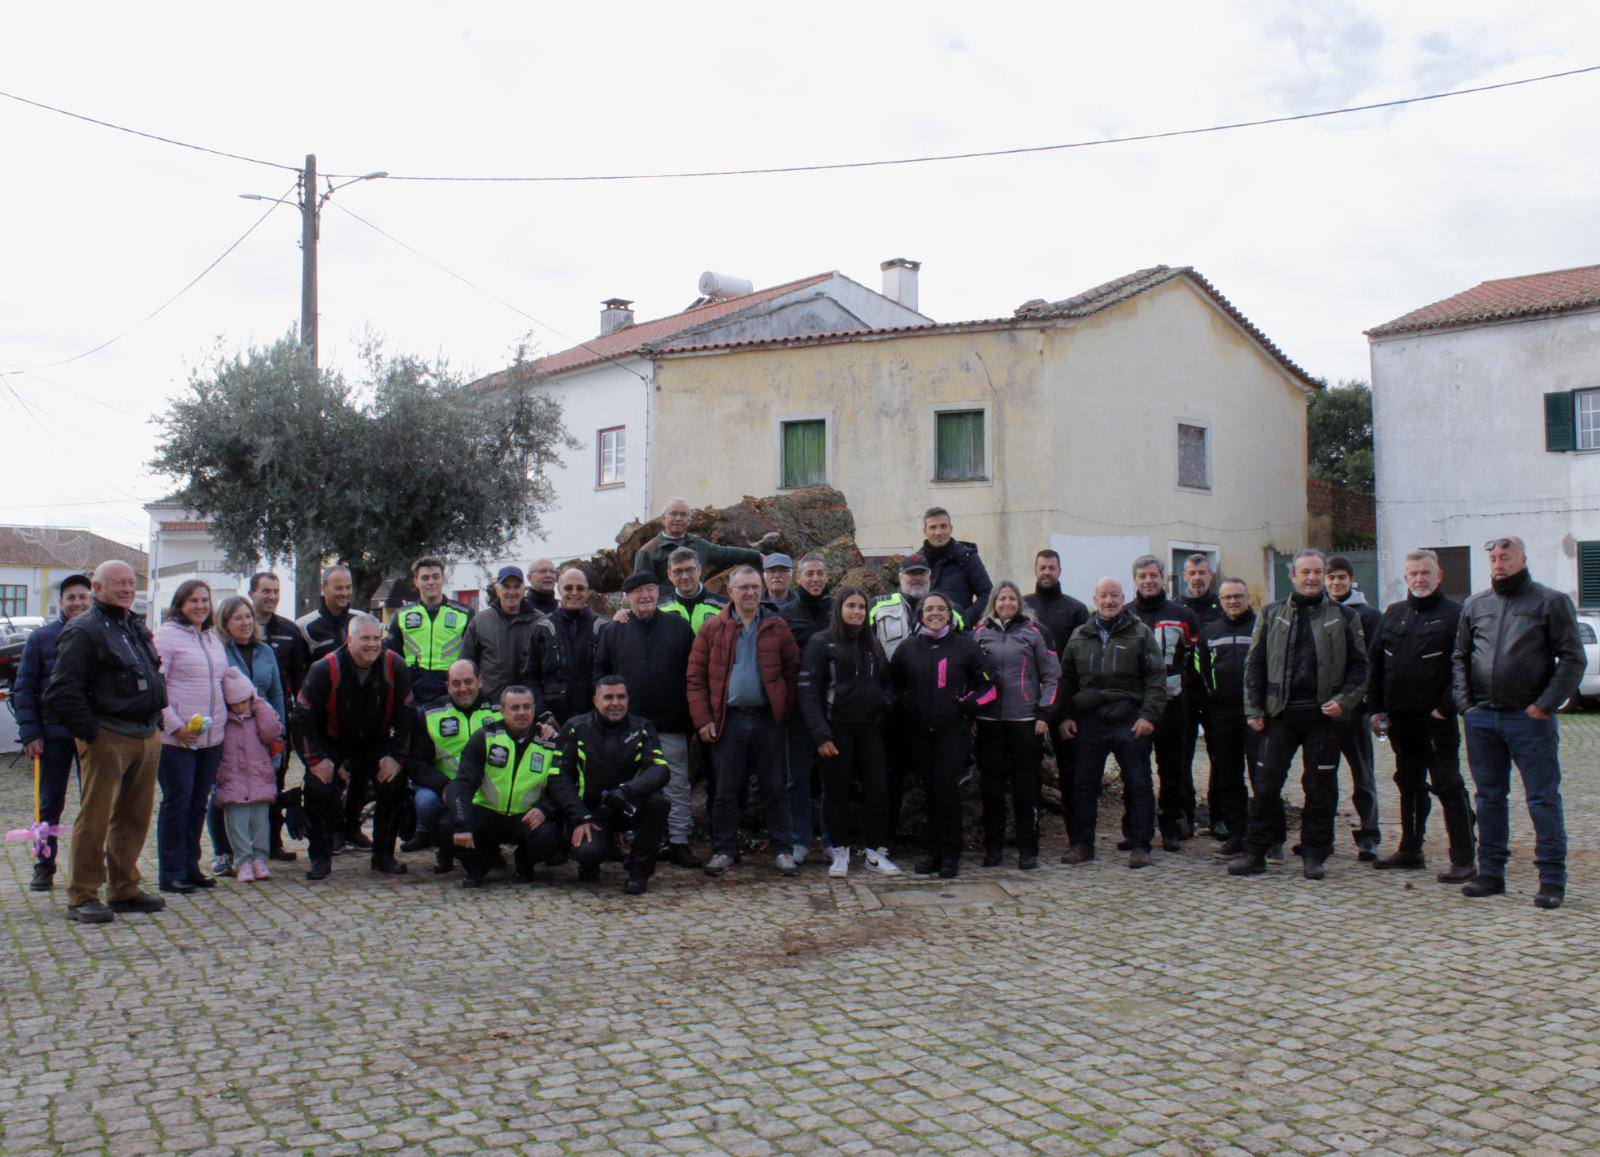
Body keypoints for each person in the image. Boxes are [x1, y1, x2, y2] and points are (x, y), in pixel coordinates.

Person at [1452, 535, 1581, 909]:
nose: (1498, 563)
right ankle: (1490, 872)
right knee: (1489, 798)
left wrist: (1543, 706)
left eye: (1505, 556)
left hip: (1529, 720)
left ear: (1522, 559)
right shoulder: (1476, 605)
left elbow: (1572, 659)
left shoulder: (1550, 602)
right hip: (1482, 719)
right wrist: (1466, 706)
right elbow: (1459, 657)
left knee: (1542, 799)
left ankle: (1551, 879)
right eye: (1492, 557)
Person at [1228, 548, 1368, 881]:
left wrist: (1344, 701)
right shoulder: (1272, 613)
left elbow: (1360, 667)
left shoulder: (1344, 617)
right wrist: (1254, 709)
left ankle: (1314, 854)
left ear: (1324, 575)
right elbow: (1255, 664)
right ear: (1293, 576)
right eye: (1304, 572)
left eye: (1317, 572)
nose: (1311, 578)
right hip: (1279, 714)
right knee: (1265, 785)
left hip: (1324, 715)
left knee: (1319, 787)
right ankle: (1256, 852)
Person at [42, 560, 168, 923]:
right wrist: (93, 734)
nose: (127, 588)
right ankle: (82, 894)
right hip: (108, 735)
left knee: (134, 816)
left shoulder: (134, 625)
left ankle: (124, 889)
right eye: (118, 583)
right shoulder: (84, 630)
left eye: (131, 582)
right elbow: (62, 691)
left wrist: (156, 720)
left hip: (144, 732)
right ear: (97, 588)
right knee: (94, 818)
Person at [688, 565, 803, 878]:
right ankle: (724, 850)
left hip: (768, 721)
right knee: (725, 791)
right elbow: (695, 679)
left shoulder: (777, 627)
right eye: (744, 588)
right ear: (731, 591)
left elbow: (793, 672)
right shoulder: (712, 629)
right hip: (729, 721)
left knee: (775, 788)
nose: (751, 593)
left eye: (755, 587)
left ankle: (782, 850)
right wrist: (703, 720)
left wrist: (783, 709)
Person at [1369, 550, 1475, 882]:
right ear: (1406, 577)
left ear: (1439, 575)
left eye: (1426, 573)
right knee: (1409, 784)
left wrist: (1445, 708)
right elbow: (1376, 665)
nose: (1420, 579)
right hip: (1401, 720)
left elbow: (1464, 669)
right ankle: (1410, 849)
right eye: (1413, 573)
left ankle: (1463, 858)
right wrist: (1375, 709)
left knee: (1447, 784)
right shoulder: (1394, 613)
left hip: (1437, 721)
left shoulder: (1455, 615)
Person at [291, 613, 415, 880]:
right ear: (349, 640)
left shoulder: (396, 666)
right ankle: (320, 857)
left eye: (376, 638)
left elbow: (406, 717)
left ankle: (383, 855)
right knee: (317, 787)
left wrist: (396, 757)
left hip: (374, 738)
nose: (372, 644)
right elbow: (302, 719)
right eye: (365, 639)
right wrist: (315, 761)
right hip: (332, 738)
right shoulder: (324, 669)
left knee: (394, 784)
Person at [1058, 578, 1166, 869]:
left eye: (1114, 595)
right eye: (1103, 595)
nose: (1109, 601)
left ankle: (1140, 845)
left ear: (1123, 598)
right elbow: (1066, 680)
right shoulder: (1079, 635)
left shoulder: (1140, 633)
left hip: (1128, 717)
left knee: (1139, 783)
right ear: (1095, 599)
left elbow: (1156, 677)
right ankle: (1082, 845)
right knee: (1083, 784)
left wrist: (1148, 716)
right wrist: (1066, 715)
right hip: (1089, 718)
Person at [594, 572, 700, 867]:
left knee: (676, 783)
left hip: (671, 721)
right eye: (638, 591)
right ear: (627, 597)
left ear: (658, 592)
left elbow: (693, 674)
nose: (645, 595)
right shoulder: (614, 630)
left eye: (650, 589)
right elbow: (601, 674)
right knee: (629, 784)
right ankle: (635, 842)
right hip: (627, 725)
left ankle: (678, 841)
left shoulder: (679, 627)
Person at [889, 591, 996, 879]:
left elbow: (989, 686)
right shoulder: (907, 648)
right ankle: (932, 852)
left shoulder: (965, 646)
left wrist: (968, 707)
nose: (934, 613)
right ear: (920, 615)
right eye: (928, 609)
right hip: (920, 733)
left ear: (949, 614)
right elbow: (892, 687)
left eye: (940, 609)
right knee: (929, 792)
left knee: (947, 790)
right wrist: (904, 707)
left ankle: (951, 855)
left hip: (953, 732)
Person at [798, 587, 899, 879]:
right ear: (839, 609)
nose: (856, 612)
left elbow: (888, 681)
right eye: (851, 606)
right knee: (836, 791)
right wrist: (821, 735)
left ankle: (874, 853)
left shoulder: (872, 643)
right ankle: (839, 851)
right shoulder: (821, 643)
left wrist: (885, 702)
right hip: (835, 728)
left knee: (878, 789)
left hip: (869, 727)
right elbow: (808, 693)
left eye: (861, 607)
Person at [547, 676, 672, 895]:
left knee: (657, 803)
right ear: (596, 701)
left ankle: (639, 872)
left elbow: (660, 770)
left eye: (621, 697)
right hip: (590, 810)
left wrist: (627, 790)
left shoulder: (642, 727)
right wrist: (578, 816)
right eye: (608, 697)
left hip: (626, 802)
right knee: (588, 852)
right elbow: (558, 777)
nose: (616, 703)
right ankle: (589, 863)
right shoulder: (575, 728)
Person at [972, 581, 1061, 870]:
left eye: (1012, 598)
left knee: (1026, 787)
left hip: (1025, 720)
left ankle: (1028, 848)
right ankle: (993, 847)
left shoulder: (1036, 632)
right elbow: (969, 675)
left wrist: (1043, 715)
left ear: (1020, 602)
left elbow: (1051, 676)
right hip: (988, 721)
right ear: (993, 602)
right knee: (992, 788)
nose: (1006, 603)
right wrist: (971, 714)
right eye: (1001, 599)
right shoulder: (979, 632)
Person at [13, 572, 92, 891]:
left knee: (95, 803)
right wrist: (31, 733)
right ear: (61, 601)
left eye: (83, 597)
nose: (77, 602)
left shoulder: (98, 635)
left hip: (92, 734)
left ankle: (90, 865)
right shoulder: (41, 638)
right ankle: (44, 864)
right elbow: (25, 687)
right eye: (71, 597)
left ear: (91, 600)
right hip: (54, 735)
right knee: (48, 804)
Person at [153, 579, 230, 895]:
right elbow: (157, 686)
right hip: (178, 739)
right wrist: (174, 725)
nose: (200, 606)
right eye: (193, 601)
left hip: (211, 737)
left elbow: (222, 679)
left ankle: (190, 864)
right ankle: (170, 871)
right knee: (177, 801)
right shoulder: (165, 638)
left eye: (204, 600)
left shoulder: (212, 637)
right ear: (180, 604)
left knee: (198, 802)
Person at [445, 685, 564, 888]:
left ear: (534, 710)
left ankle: (524, 863)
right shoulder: (485, 737)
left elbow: (563, 788)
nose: (521, 713)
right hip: (488, 813)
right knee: (448, 826)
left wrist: (545, 809)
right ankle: (478, 866)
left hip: (525, 816)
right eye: (514, 708)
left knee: (550, 835)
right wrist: (461, 824)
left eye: (527, 707)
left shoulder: (550, 742)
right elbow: (462, 784)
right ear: (502, 711)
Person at [1127, 555, 1202, 851]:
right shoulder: (1125, 614)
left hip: (1173, 705)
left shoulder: (1183, 615)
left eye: (1153, 575)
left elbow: (1194, 660)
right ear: (1135, 580)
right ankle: (1135, 829)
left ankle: (1172, 827)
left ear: (1163, 578)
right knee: (1135, 769)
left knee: (1173, 769)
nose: (1148, 581)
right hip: (1135, 705)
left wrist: (1193, 695)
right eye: (1142, 576)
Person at [208, 595, 286, 876]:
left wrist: (280, 728)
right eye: (238, 617)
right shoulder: (219, 650)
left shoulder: (265, 651)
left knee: (259, 792)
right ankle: (224, 852)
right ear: (225, 623)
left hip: (262, 728)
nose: (245, 622)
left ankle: (258, 853)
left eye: (248, 617)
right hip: (230, 728)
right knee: (226, 792)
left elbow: (276, 690)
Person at [1194, 578, 1269, 861]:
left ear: (1248, 597)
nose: (1233, 602)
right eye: (1227, 598)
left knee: (1263, 778)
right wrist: (1212, 700)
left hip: (1256, 715)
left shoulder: (1262, 629)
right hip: (1222, 715)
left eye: (1238, 596)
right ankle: (1238, 835)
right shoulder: (1209, 633)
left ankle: (1270, 837)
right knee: (1228, 777)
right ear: (1220, 601)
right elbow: (1200, 669)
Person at [403, 659, 501, 860]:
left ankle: (489, 848)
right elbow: (417, 763)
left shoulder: (498, 711)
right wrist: (444, 786)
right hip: (447, 789)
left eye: (468, 682)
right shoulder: (431, 714)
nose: (463, 689)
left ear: (480, 681)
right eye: (456, 684)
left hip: (489, 791)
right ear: (447, 686)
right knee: (425, 802)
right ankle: (445, 845)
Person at [1024, 549, 1088, 843]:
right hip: (1027, 701)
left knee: (1070, 771)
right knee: (1027, 770)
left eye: (1052, 567)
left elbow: (1081, 663)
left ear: (1059, 570)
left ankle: (1077, 836)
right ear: (1035, 570)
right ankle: (1029, 831)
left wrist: (1069, 711)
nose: (1047, 572)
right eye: (1042, 568)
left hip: (1063, 702)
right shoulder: (1023, 606)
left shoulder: (1075, 610)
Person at [1325, 555, 1383, 860]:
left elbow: (1373, 663)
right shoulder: (1318, 612)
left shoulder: (1369, 615)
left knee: (1363, 775)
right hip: (1323, 709)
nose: (1336, 583)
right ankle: (1322, 835)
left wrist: (1369, 703)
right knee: (1321, 775)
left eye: (1341, 578)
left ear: (1351, 580)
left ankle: (1369, 835)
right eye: (1331, 578)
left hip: (1356, 709)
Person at [249, 571, 308, 861]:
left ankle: (272, 842)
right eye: (265, 591)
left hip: (278, 720)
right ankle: (237, 847)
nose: (271, 597)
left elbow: (299, 676)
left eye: (275, 592)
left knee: (275, 780)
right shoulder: (238, 626)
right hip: (242, 721)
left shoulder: (290, 630)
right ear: (252, 594)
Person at [779, 553, 831, 860]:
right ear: (798, 578)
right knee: (796, 779)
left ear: (827, 577)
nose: (814, 579)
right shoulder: (787, 615)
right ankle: (799, 840)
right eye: (809, 573)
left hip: (832, 705)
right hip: (797, 709)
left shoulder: (838, 610)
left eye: (820, 573)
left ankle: (829, 839)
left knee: (831, 779)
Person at [213, 667, 283, 882]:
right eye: (235, 704)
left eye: (244, 702)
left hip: (258, 778)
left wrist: (260, 704)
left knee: (260, 822)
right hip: (233, 779)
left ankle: (260, 858)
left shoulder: (258, 716)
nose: (240, 707)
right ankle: (243, 860)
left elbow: (272, 731)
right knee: (237, 824)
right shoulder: (224, 721)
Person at [387, 554, 473, 705]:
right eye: (425, 578)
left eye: (435, 577)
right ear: (416, 581)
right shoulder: (401, 615)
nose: (431, 582)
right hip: (413, 690)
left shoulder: (464, 614)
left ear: (443, 579)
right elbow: (392, 656)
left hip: (451, 689)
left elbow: (473, 656)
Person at [526, 568, 608, 726]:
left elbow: (613, 674)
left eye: (580, 588)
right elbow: (530, 676)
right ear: (558, 590)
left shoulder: (604, 628)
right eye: (568, 588)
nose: (574, 592)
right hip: (554, 721)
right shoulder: (542, 628)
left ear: (587, 590)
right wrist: (543, 713)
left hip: (595, 720)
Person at [632, 497, 776, 585]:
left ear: (689, 521)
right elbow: (640, 588)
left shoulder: (698, 544)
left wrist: (755, 555)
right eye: (673, 514)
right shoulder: (648, 552)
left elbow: (726, 553)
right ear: (663, 519)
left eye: (683, 515)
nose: (678, 519)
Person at [460, 565, 541, 704]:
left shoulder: (540, 622)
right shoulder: (480, 621)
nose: (511, 592)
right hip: (491, 704)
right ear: (497, 590)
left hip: (528, 706)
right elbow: (466, 663)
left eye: (516, 587)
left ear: (523, 590)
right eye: (506, 587)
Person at [918, 507, 993, 626]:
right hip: (923, 635)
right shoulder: (917, 563)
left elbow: (988, 594)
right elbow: (908, 598)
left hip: (959, 636)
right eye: (933, 527)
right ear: (925, 531)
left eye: (943, 526)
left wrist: (963, 619)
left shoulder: (967, 558)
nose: (939, 532)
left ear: (951, 529)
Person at [659, 548, 730, 634]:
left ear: (699, 570)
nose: (685, 576)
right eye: (678, 571)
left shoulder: (725, 607)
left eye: (690, 569)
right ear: (670, 575)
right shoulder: (659, 610)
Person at [297, 565, 355, 663]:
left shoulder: (361, 619)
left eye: (348, 587)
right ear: (323, 588)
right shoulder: (303, 626)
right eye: (339, 588)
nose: (344, 593)